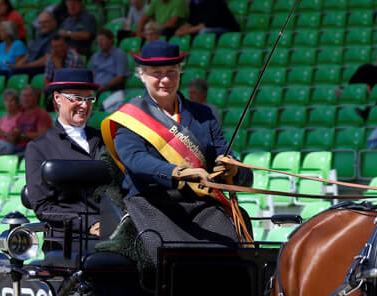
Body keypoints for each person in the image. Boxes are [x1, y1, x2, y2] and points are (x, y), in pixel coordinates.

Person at [97, 42, 253, 266]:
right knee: (177, 260)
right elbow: (135, 159)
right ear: (142, 75)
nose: (166, 80)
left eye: (172, 72)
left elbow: (223, 151)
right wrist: (178, 172)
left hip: (202, 204)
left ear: (180, 72)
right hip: (153, 204)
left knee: (232, 252)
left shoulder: (203, 114)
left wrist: (231, 166)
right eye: (157, 74)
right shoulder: (130, 117)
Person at [25, 68, 106, 252]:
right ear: (57, 98)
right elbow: (42, 206)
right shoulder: (39, 148)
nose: (84, 106)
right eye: (76, 98)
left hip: (110, 237)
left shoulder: (104, 140)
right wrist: (88, 223)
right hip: (67, 244)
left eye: (88, 99)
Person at [7, 11, 57, 76]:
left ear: (54, 23)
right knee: (2, 73)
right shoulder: (39, 37)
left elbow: (46, 59)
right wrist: (18, 65)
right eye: (40, 23)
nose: (42, 25)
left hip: (40, 68)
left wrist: (24, 66)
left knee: (13, 72)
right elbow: (28, 55)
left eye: (45, 22)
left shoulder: (55, 38)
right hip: (28, 66)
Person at [90, 28, 128, 112]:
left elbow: (120, 77)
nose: (100, 42)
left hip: (111, 90)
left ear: (111, 40)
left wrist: (104, 87)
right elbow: (92, 74)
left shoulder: (119, 54)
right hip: (95, 90)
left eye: (102, 39)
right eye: (98, 40)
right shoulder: (95, 56)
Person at [174, 0, 239, 37]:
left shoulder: (214, 2)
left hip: (227, 29)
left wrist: (185, 31)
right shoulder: (194, 3)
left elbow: (206, 25)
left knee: (204, 31)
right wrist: (180, 30)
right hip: (209, 27)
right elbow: (191, 22)